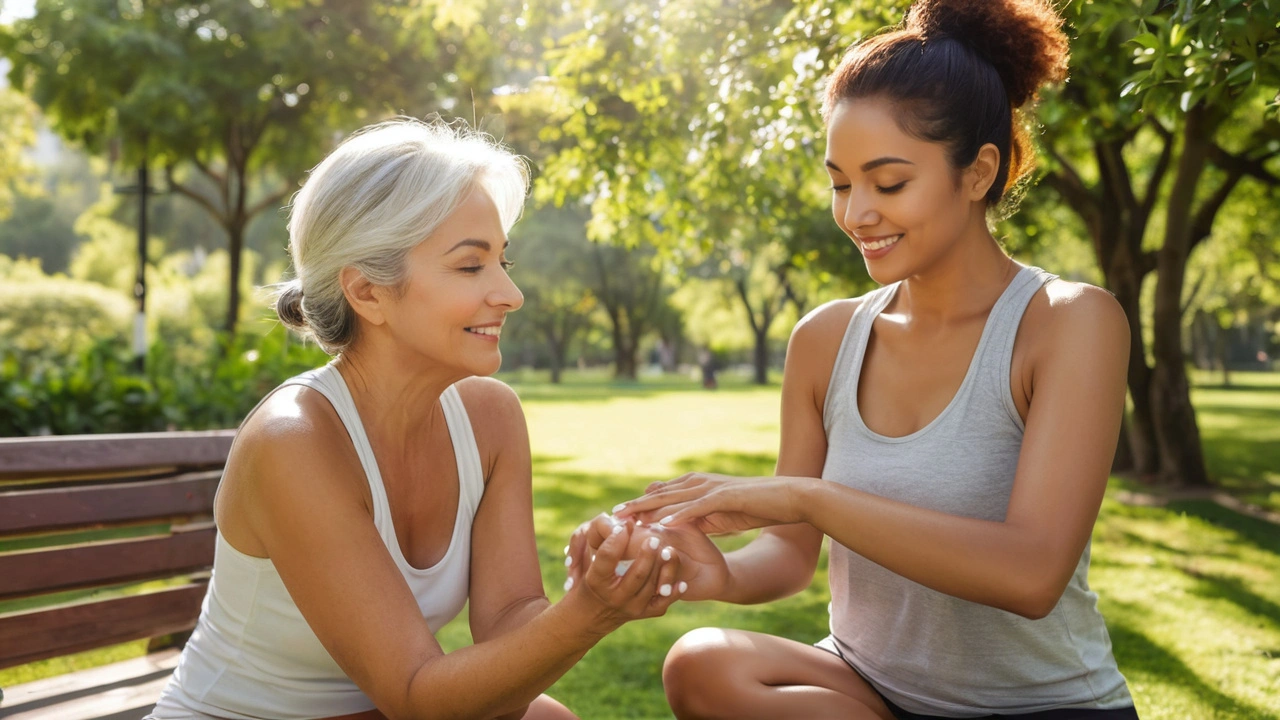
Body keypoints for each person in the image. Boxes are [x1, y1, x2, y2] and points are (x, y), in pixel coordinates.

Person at [607, 1, 1142, 718]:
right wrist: (715, 574)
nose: (857, 213)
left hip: (1036, 705)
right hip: (871, 689)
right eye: (840, 183)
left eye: (888, 183)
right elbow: (790, 557)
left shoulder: (1069, 323)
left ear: (980, 171)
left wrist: (807, 497)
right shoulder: (825, 340)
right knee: (703, 664)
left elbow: (1033, 572)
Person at [148, 119, 686, 720]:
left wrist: (594, 589)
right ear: (368, 292)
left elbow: (509, 619)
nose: (511, 293)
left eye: (502, 261)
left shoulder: (490, 418)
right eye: (469, 266)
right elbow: (416, 696)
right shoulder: (294, 440)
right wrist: (589, 616)